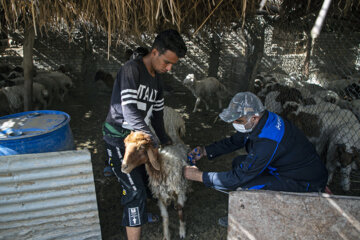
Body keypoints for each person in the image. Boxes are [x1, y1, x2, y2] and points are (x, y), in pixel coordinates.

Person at [183, 91, 328, 227]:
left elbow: (239, 177)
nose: (235, 124)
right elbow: (235, 140)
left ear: (254, 117)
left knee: (246, 188)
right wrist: (205, 151)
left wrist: (198, 176)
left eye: (238, 120)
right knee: (238, 162)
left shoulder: (267, 141)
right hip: (287, 166)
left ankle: (245, 219)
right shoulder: (263, 120)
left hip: (303, 180)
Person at [102, 29, 187, 240]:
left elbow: (157, 116)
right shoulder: (132, 70)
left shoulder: (157, 80)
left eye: (172, 65)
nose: (168, 68)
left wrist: (167, 141)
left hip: (141, 139)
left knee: (147, 184)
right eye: (167, 62)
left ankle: (138, 214)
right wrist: (152, 141)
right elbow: (129, 110)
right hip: (119, 140)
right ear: (155, 51)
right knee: (135, 192)